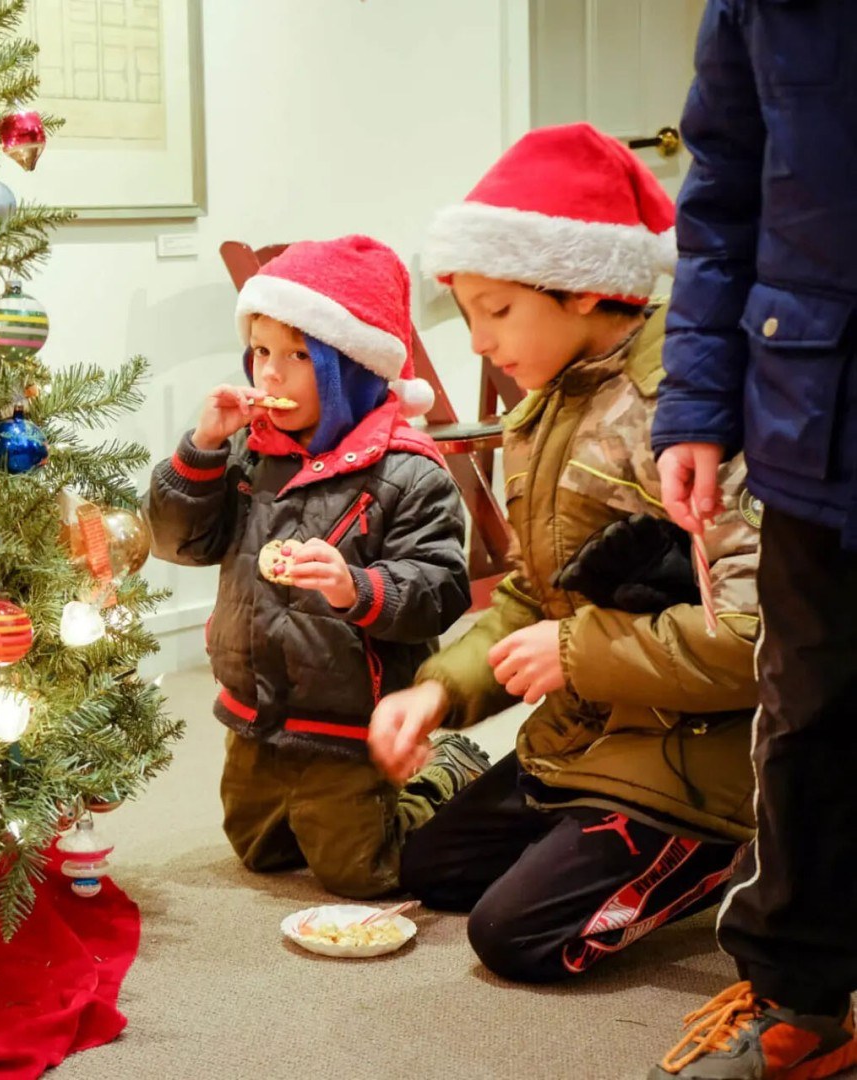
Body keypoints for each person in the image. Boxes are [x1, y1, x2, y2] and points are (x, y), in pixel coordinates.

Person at [368, 123, 762, 981]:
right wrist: (439, 689)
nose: (476, 340)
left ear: (583, 287)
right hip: (592, 731)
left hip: (701, 754)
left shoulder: (690, 416)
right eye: (468, 313)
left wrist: (577, 652)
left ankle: (735, 854)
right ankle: (586, 832)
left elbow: (759, 636)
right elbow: (531, 592)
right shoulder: (539, 412)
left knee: (514, 938)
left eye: (496, 310)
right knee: (432, 869)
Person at [146, 235, 487, 900]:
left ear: (350, 367)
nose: (269, 374)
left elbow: (441, 589)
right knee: (258, 851)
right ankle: (320, 797)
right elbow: (181, 543)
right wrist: (202, 448)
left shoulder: (407, 470)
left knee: (363, 872)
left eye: (298, 356)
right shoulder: (247, 449)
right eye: (262, 351)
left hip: (348, 720)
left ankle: (446, 772)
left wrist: (355, 587)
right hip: (257, 710)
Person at [647, 2, 857, 1076]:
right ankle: (802, 1003)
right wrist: (694, 407)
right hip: (817, 417)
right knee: (808, 713)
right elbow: (721, 197)